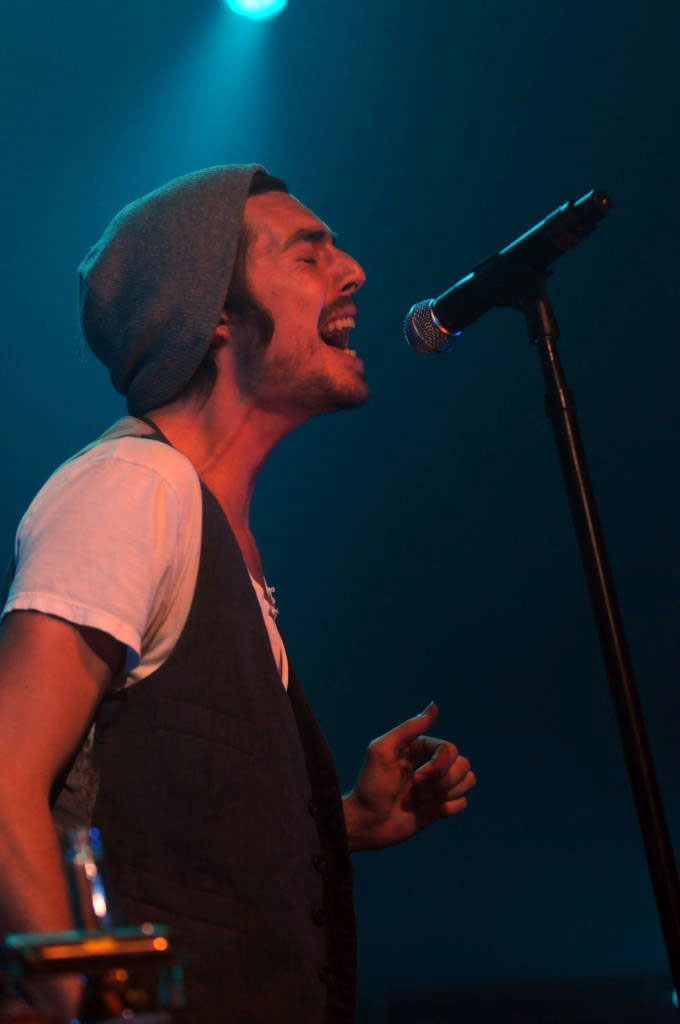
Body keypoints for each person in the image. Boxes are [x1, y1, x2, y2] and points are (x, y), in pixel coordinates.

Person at [0, 165, 476, 1023]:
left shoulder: (216, 537)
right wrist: (85, 1003)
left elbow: (168, 836)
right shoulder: (132, 488)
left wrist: (343, 823)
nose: (354, 270)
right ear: (214, 313)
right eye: (308, 253)